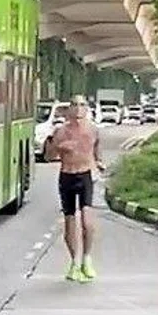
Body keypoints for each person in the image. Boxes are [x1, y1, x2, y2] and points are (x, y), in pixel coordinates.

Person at [45, 95, 105, 282]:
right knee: (70, 221)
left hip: (85, 175)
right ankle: (75, 262)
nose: (78, 109)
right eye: (74, 105)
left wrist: (100, 164)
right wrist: (59, 147)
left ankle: (87, 258)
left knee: (87, 220)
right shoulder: (60, 131)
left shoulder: (93, 130)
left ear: (87, 109)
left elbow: (97, 155)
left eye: (82, 105)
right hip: (67, 177)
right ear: (68, 110)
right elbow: (48, 156)